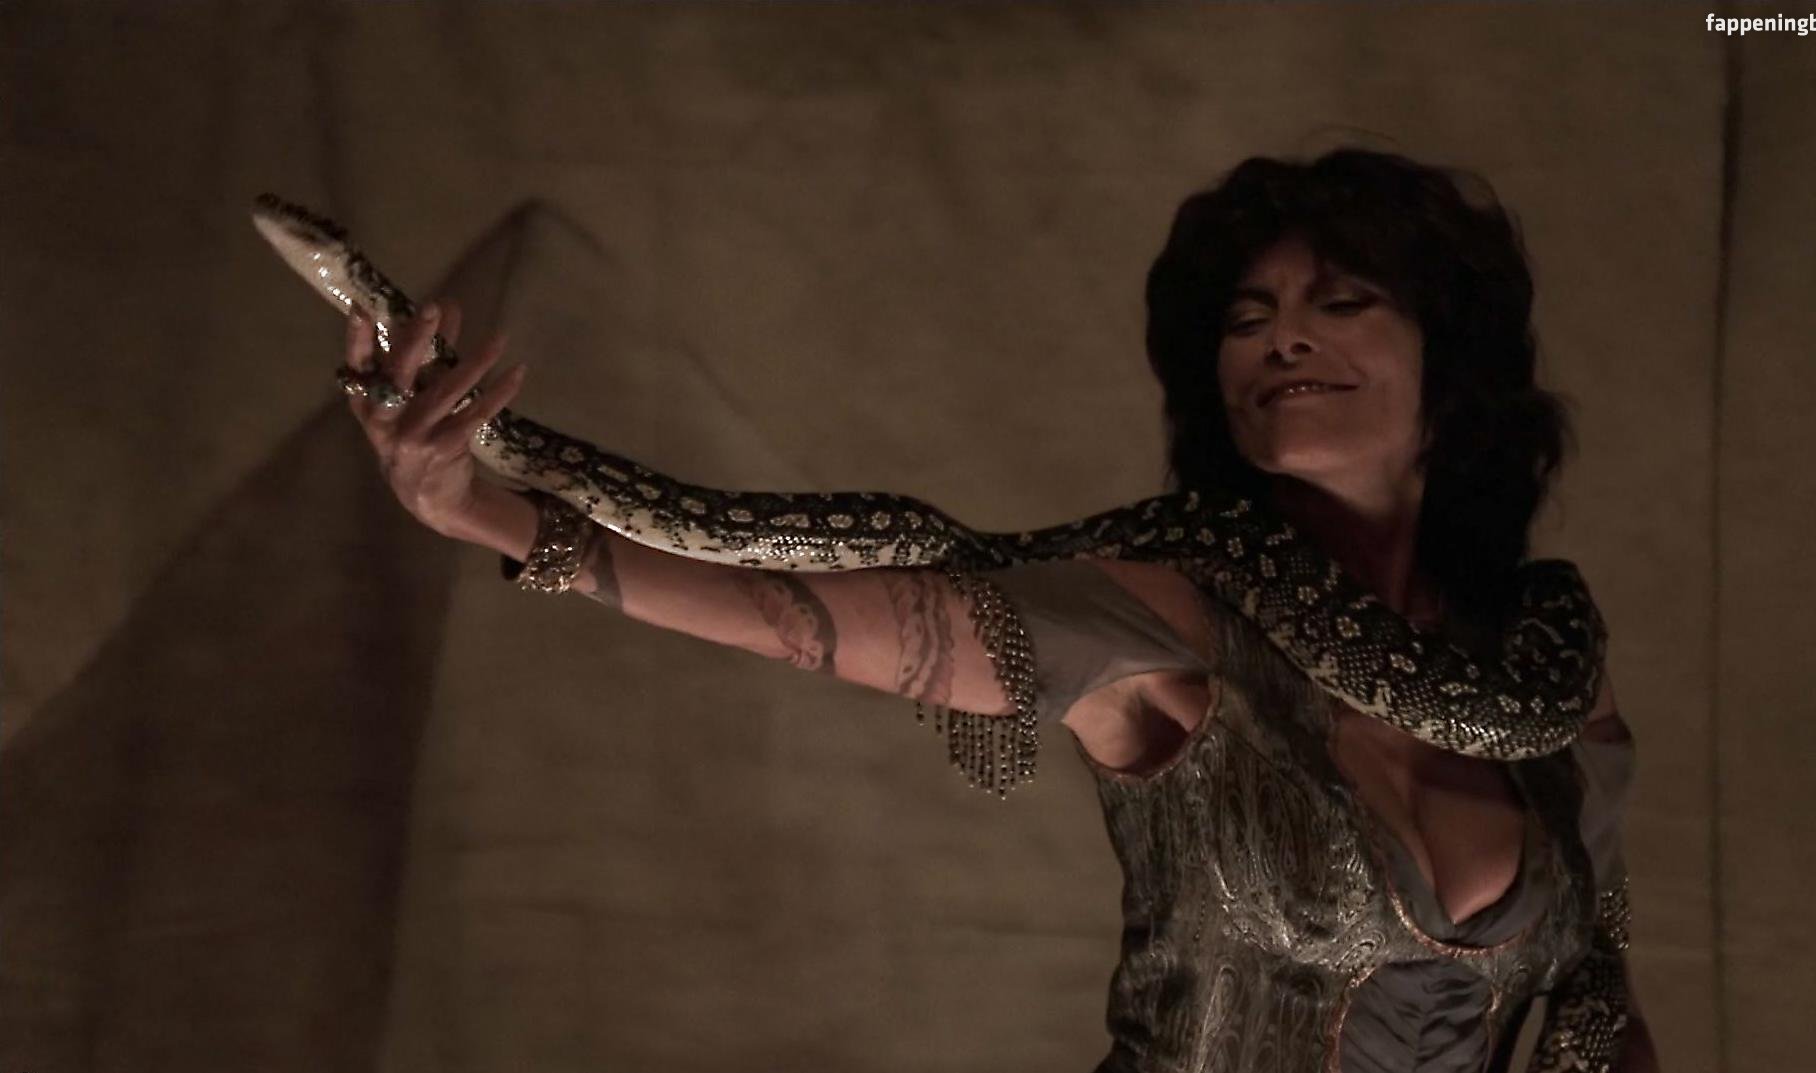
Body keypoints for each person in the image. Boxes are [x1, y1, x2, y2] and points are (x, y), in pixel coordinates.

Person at [335, 149, 1658, 1072]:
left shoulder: (1544, 657)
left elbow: (1600, 986)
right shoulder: (1166, 612)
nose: (1282, 338)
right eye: (1248, 318)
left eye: (1342, 302)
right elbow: (796, 612)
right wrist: (489, 514)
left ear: (1451, 368)